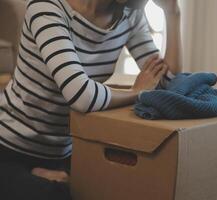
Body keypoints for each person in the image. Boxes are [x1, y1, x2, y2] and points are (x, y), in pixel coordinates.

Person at [0, 0, 181, 199]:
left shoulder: (129, 16)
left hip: (64, 154)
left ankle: (45, 176)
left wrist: (172, 13)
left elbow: (168, 83)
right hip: (9, 149)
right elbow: (80, 95)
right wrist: (138, 92)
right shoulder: (47, 8)